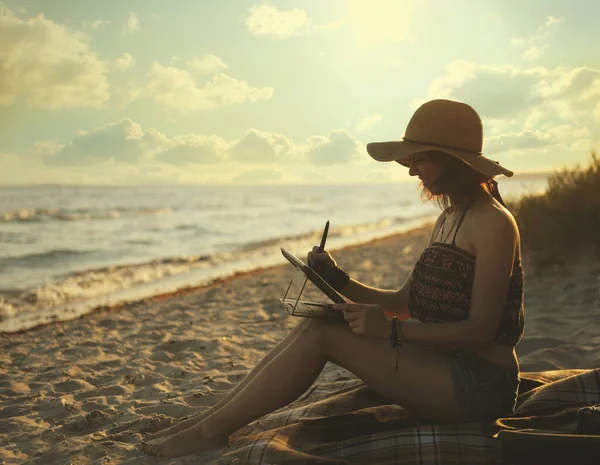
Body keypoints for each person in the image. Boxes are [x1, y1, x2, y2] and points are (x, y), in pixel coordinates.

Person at [140, 99, 524, 457]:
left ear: (451, 159)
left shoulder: (494, 224)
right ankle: (207, 422)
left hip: (479, 386)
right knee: (318, 320)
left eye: (419, 159)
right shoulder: (448, 218)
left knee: (326, 334)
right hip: (441, 367)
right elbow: (402, 304)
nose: (410, 169)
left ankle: (210, 432)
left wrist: (391, 332)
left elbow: (480, 331)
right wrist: (336, 278)